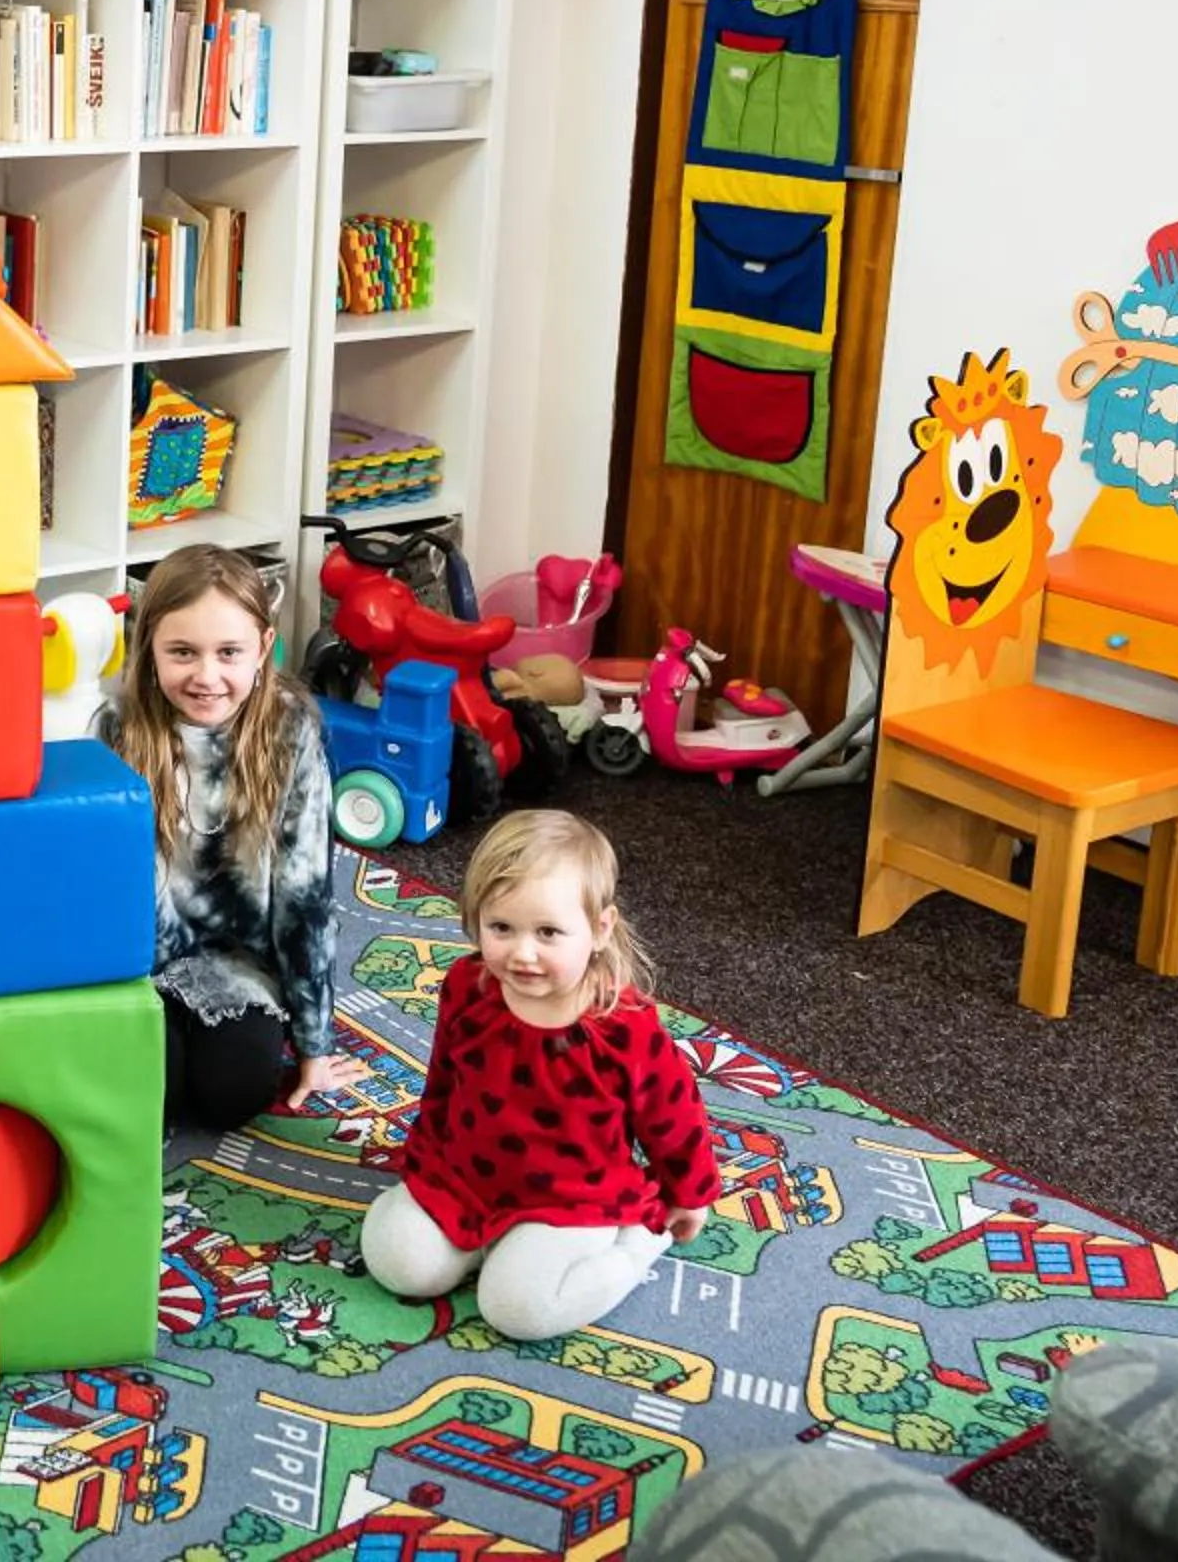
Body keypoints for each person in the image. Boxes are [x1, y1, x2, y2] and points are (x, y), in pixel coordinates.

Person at [363, 809, 719, 1341]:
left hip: (572, 1197)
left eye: (548, 932)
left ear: (600, 930)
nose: (522, 953)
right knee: (398, 1264)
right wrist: (423, 1155)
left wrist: (690, 1194)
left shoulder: (622, 1027)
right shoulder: (467, 987)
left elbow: (674, 1113)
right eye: (501, 928)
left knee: (517, 1311)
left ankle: (636, 1244)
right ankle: (489, 1246)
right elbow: (443, 1079)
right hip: (464, 1176)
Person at [98, 544, 368, 1128]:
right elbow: (95, 883)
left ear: (263, 648)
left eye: (228, 652)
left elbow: (306, 894)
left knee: (234, 1093)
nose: (206, 676)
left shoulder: (290, 730)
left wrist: (314, 1044)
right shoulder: (118, 728)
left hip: (239, 962)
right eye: (182, 652)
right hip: (139, 962)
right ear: (148, 646)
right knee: (152, 1090)